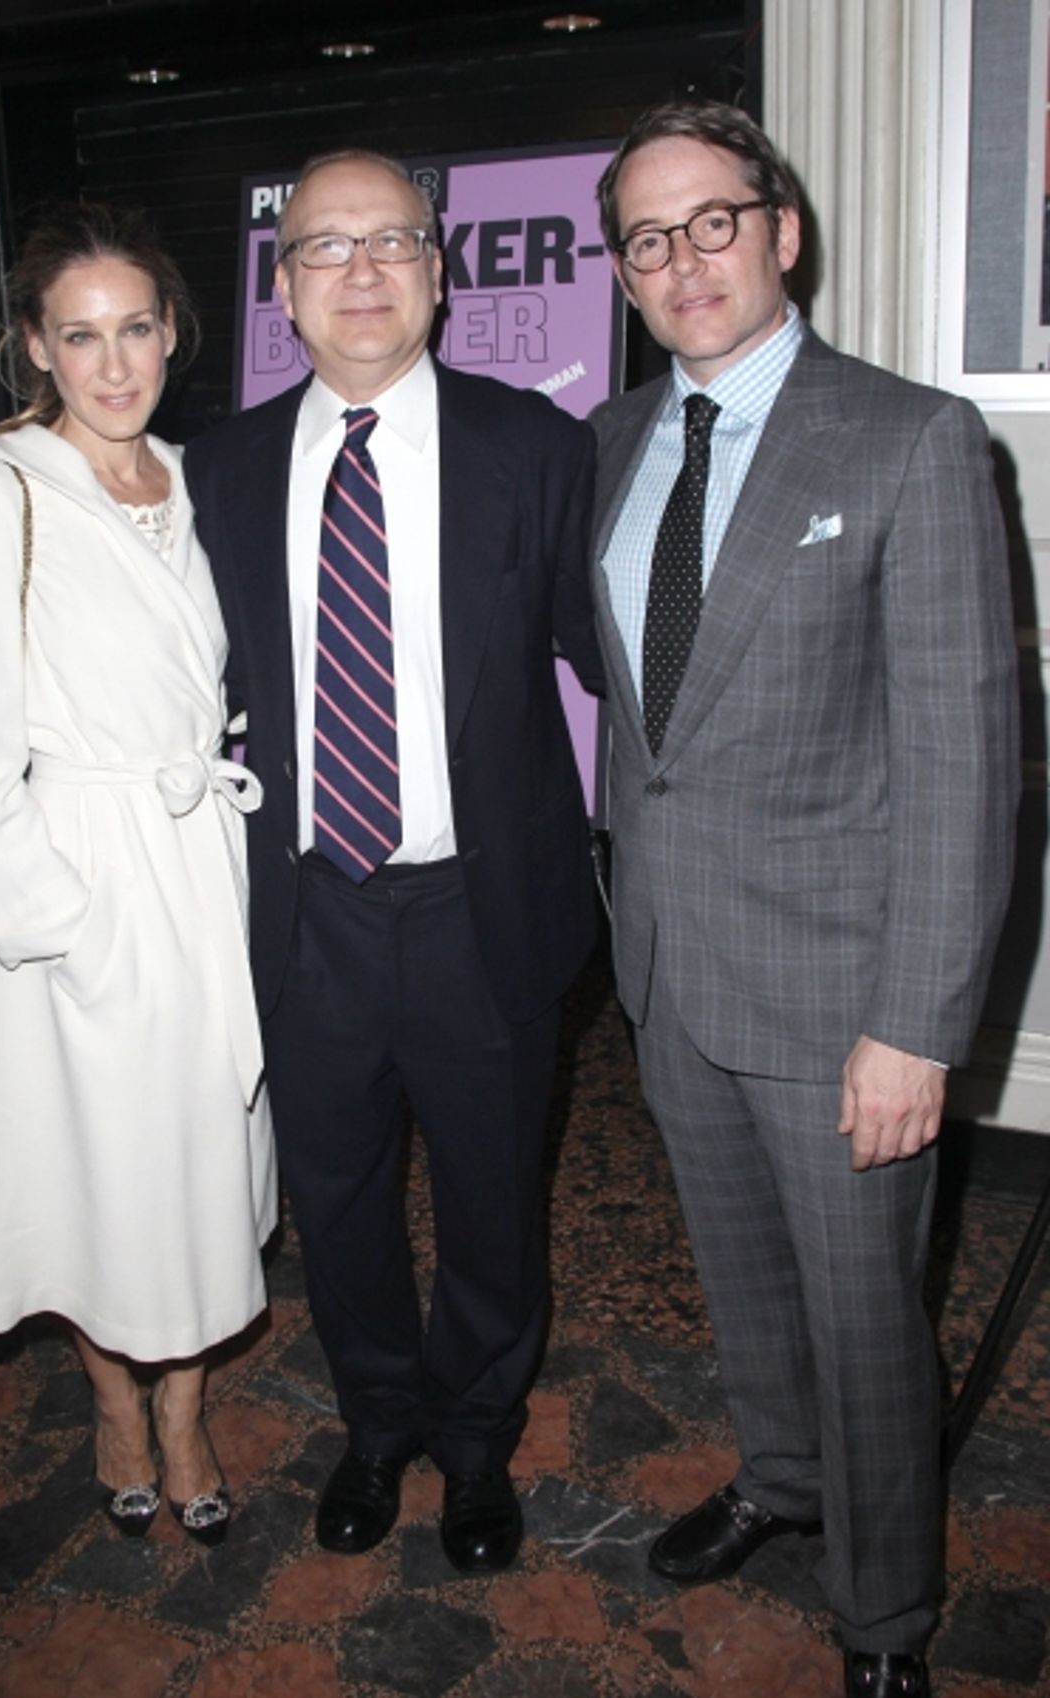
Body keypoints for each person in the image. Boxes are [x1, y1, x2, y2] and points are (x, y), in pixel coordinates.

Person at [590, 102, 1018, 1698]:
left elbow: (963, 759)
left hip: (844, 995)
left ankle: (887, 1608)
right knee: (743, 1276)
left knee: (866, 1319)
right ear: (624, 275)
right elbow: (650, 724)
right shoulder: (613, 447)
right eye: (648, 235)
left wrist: (916, 1025)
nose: (684, 259)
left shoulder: (909, 437)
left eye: (714, 221)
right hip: (673, 973)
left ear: (783, 230)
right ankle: (783, 1478)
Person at [185, 150, 603, 1573]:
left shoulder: (539, 449)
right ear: (284, 289)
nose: (361, 271)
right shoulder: (223, 470)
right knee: (339, 1198)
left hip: (482, 904)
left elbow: (611, 662)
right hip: (306, 913)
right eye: (324, 248)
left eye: (392, 243)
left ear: (439, 269)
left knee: (494, 1197)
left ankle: (479, 1445)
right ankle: (377, 1425)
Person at [0, 204, 276, 1547]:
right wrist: (47, 921)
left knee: (199, 1157)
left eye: (136, 329)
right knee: (96, 1168)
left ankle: (185, 1407)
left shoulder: (199, 482)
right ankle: (114, 1401)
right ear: (36, 348)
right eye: (81, 335)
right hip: (80, 878)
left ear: (173, 335)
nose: (113, 362)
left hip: (200, 863)